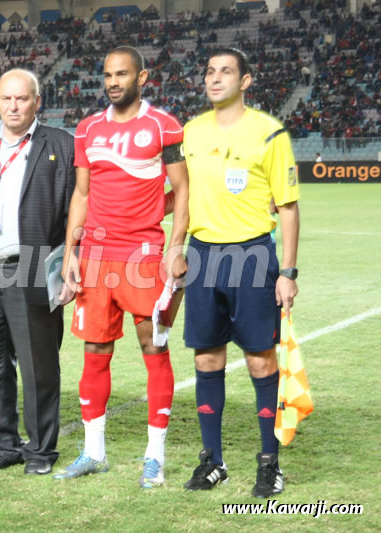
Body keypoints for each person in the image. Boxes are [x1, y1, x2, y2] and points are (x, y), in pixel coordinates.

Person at [54, 46, 189, 488]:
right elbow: (81, 195)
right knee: (95, 351)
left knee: (154, 349)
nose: (113, 82)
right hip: (94, 256)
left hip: (145, 257)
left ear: (142, 77)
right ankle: (94, 453)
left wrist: (175, 247)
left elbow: (183, 191)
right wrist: (72, 251)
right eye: (108, 75)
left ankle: (155, 457)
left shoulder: (162, 126)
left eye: (122, 75)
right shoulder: (87, 128)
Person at [181, 47, 299, 498]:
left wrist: (287, 270)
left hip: (253, 255)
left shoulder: (270, 133)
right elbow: (184, 196)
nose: (215, 78)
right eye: (210, 71)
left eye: (226, 71)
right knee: (206, 359)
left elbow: (287, 207)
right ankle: (213, 461)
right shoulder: (190, 132)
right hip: (203, 257)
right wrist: (177, 246)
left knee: (259, 360)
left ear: (245, 81)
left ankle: (269, 463)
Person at [0, 69, 75, 475]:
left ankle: (41, 451)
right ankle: (4, 445)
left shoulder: (61, 144)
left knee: (37, 364)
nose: (13, 106)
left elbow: (73, 211)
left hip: (32, 266)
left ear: (37, 102)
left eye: (22, 99)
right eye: (6, 98)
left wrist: (69, 265)